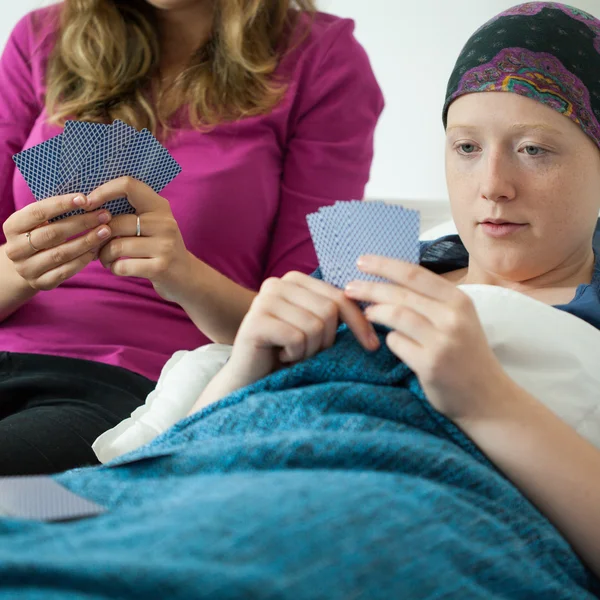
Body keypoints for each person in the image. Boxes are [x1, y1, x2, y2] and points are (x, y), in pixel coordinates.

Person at [1, 2, 600, 598]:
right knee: (21, 506)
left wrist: (485, 399)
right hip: (158, 481)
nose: (493, 185)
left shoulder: (581, 312)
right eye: (466, 148)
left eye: (534, 150)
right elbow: (164, 448)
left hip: (335, 496)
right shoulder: (376, 253)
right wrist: (245, 363)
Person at [0, 0, 384, 475]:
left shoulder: (322, 58)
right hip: (9, 352)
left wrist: (183, 274)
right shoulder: (41, 35)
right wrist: (19, 268)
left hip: (124, 390)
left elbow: (305, 324)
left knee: (22, 491)